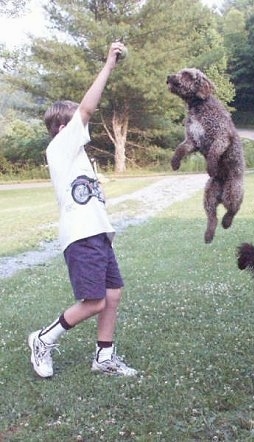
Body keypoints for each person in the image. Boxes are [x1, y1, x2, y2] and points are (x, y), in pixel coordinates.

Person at [28, 41, 137, 378]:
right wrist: (108, 65)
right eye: (77, 122)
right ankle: (43, 340)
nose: (84, 127)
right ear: (63, 128)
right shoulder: (59, 146)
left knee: (112, 294)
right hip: (81, 237)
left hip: (97, 236)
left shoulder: (76, 158)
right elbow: (87, 110)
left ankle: (104, 358)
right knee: (94, 301)